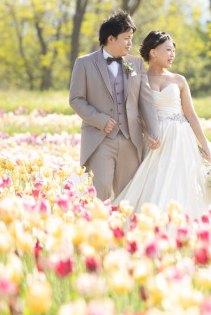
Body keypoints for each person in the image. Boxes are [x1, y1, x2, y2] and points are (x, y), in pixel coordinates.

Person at [114, 31, 211, 246]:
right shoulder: (138, 79)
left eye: (174, 50)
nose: (172, 54)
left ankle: (188, 230)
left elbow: (190, 114)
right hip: (158, 140)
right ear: (153, 52)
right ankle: (152, 228)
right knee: (157, 178)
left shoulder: (179, 80)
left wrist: (205, 145)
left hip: (182, 137)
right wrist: (147, 134)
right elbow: (136, 114)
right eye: (168, 50)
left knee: (185, 179)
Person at [69, 11, 161, 201]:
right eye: (126, 38)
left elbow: (146, 101)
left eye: (131, 39)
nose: (130, 43)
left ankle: (121, 229)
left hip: (131, 139)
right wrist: (100, 120)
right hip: (100, 139)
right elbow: (76, 99)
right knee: (99, 189)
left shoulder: (136, 64)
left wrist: (153, 132)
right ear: (111, 38)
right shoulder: (84, 63)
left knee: (128, 194)